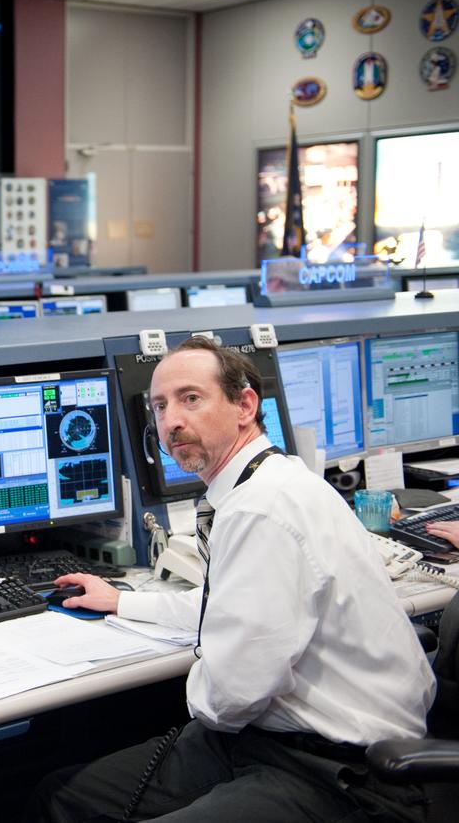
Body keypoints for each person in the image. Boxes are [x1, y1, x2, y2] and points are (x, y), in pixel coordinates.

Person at [33, 336, 435, 822]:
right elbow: (221, 605)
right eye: (159, 406)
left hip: (338, 772)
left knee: (75, 792)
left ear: (245, 405)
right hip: (287, 741)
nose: (171, 421)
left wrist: (199, 676)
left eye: (191, 398)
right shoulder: (276, 480)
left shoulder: (260, 510)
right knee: (68, 793)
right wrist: (122, 602)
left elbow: (230, 697)